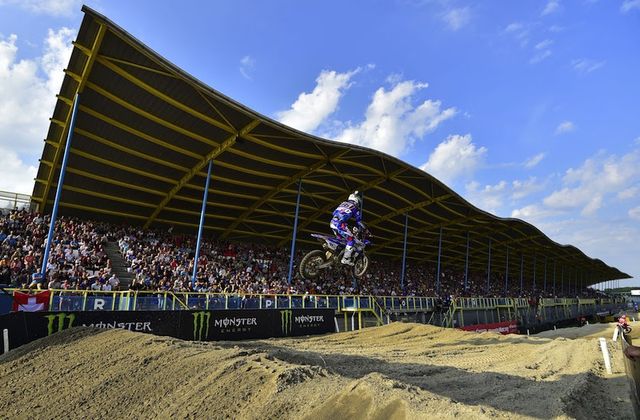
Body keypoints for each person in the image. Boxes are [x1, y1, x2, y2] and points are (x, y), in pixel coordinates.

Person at [329, 191, 365, 266]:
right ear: (356, 200)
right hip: (340, 225)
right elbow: (358, 220)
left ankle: (335, 254)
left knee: (340, 240)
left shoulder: (342, 204)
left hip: (332, 223)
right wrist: (364, 227)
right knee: (351, 240)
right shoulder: (354, 207)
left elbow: (334, 213)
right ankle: (345, 259)